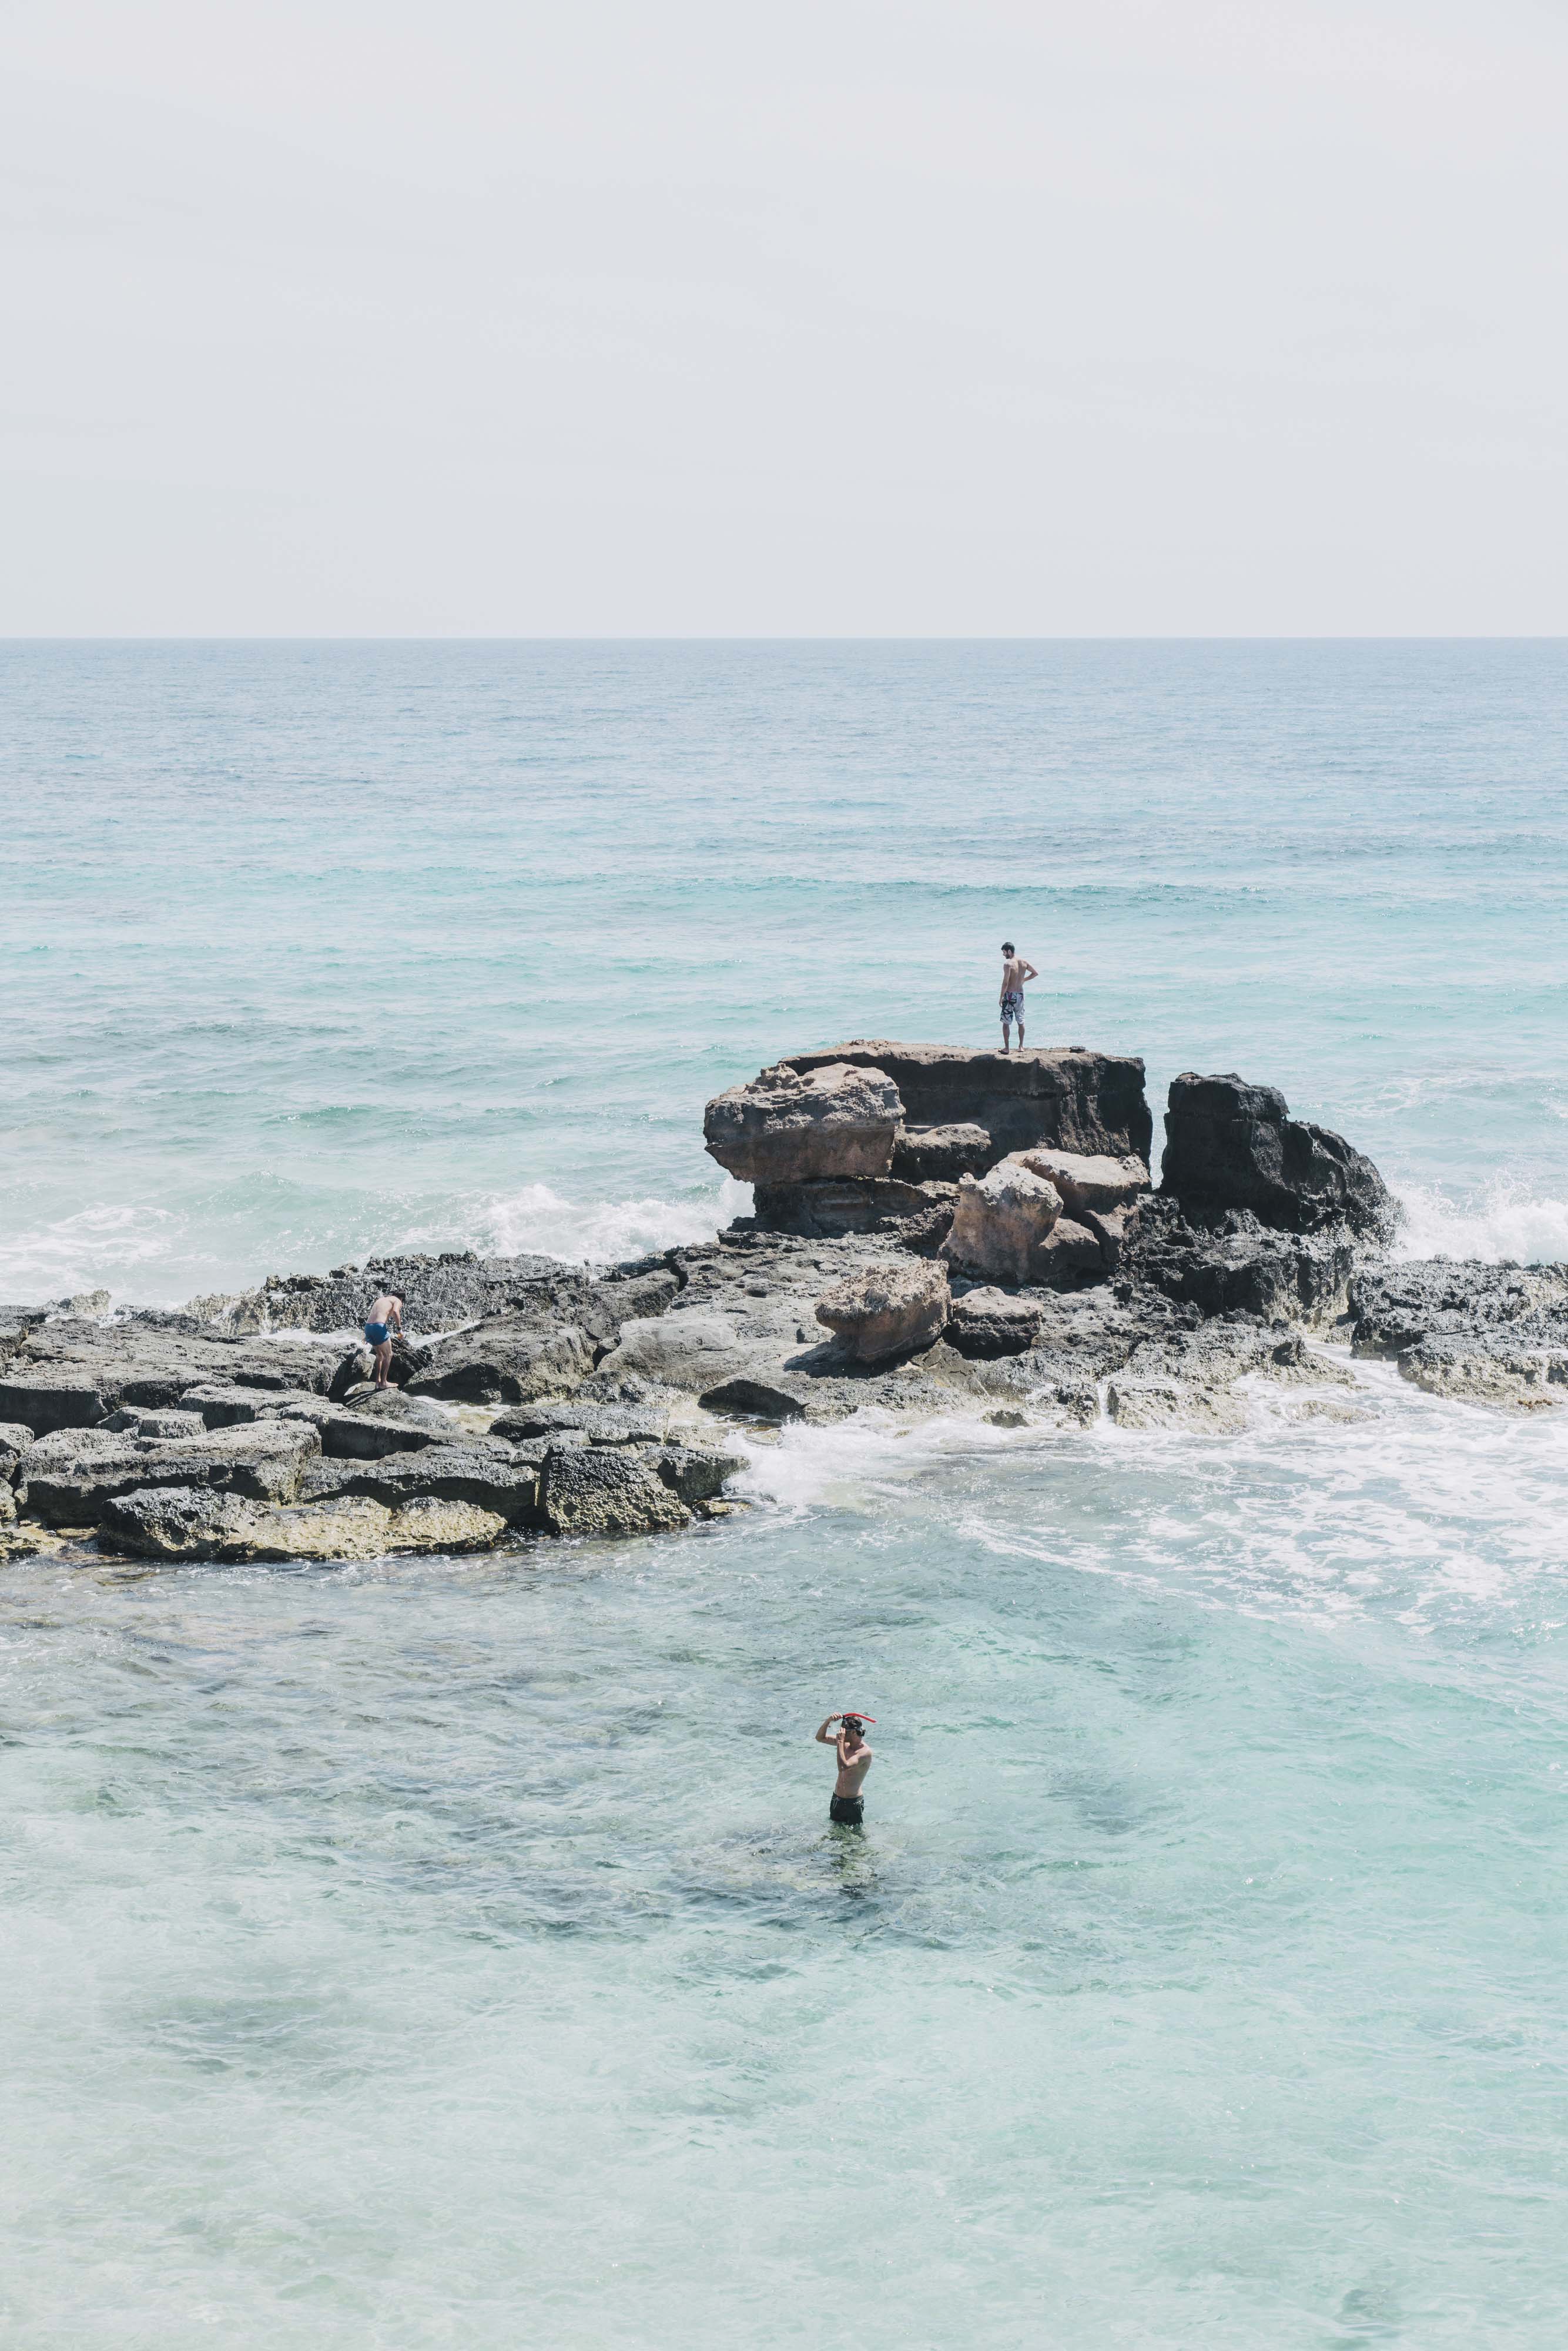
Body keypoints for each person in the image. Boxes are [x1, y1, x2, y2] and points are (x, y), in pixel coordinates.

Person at [815, 1711, 874, 1828]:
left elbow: (843, 1767)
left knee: (855, 1840)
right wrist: (828, 1721)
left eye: (843, 1731)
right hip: (837, 1799)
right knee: (834, 1834)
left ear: (853, 1732)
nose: (840, 1734)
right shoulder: (845, 1744)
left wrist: (840, 1742)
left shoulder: (864, 1752)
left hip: (853, 1803)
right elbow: (820, 1738)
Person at [999, 940, 1038, 1052]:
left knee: (1006, 1023)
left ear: (1009, 952)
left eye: (1004, 952)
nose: (1003, 955)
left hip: (1010, 996)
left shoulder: (1008, 965)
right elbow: (1035, 973)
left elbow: (1005, 983)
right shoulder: (1024, 962)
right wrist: (1023, 980)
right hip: (1020, 995)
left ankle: (1007, 1048)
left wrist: (1001, 997)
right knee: (1021, 1021)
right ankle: (1021, 1047)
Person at [363, 1292, 404, 1388]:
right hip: (378, 1328)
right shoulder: (397, 1300)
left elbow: (374, 1316)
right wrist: (399, 1330)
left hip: (368, 1327)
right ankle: (384, 1383)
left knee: (380, 1355)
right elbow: (395, 1312)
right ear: (402, 1298)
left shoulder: (381, 1299)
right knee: (388, 1355)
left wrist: (368, 1334)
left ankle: (377, 1382)